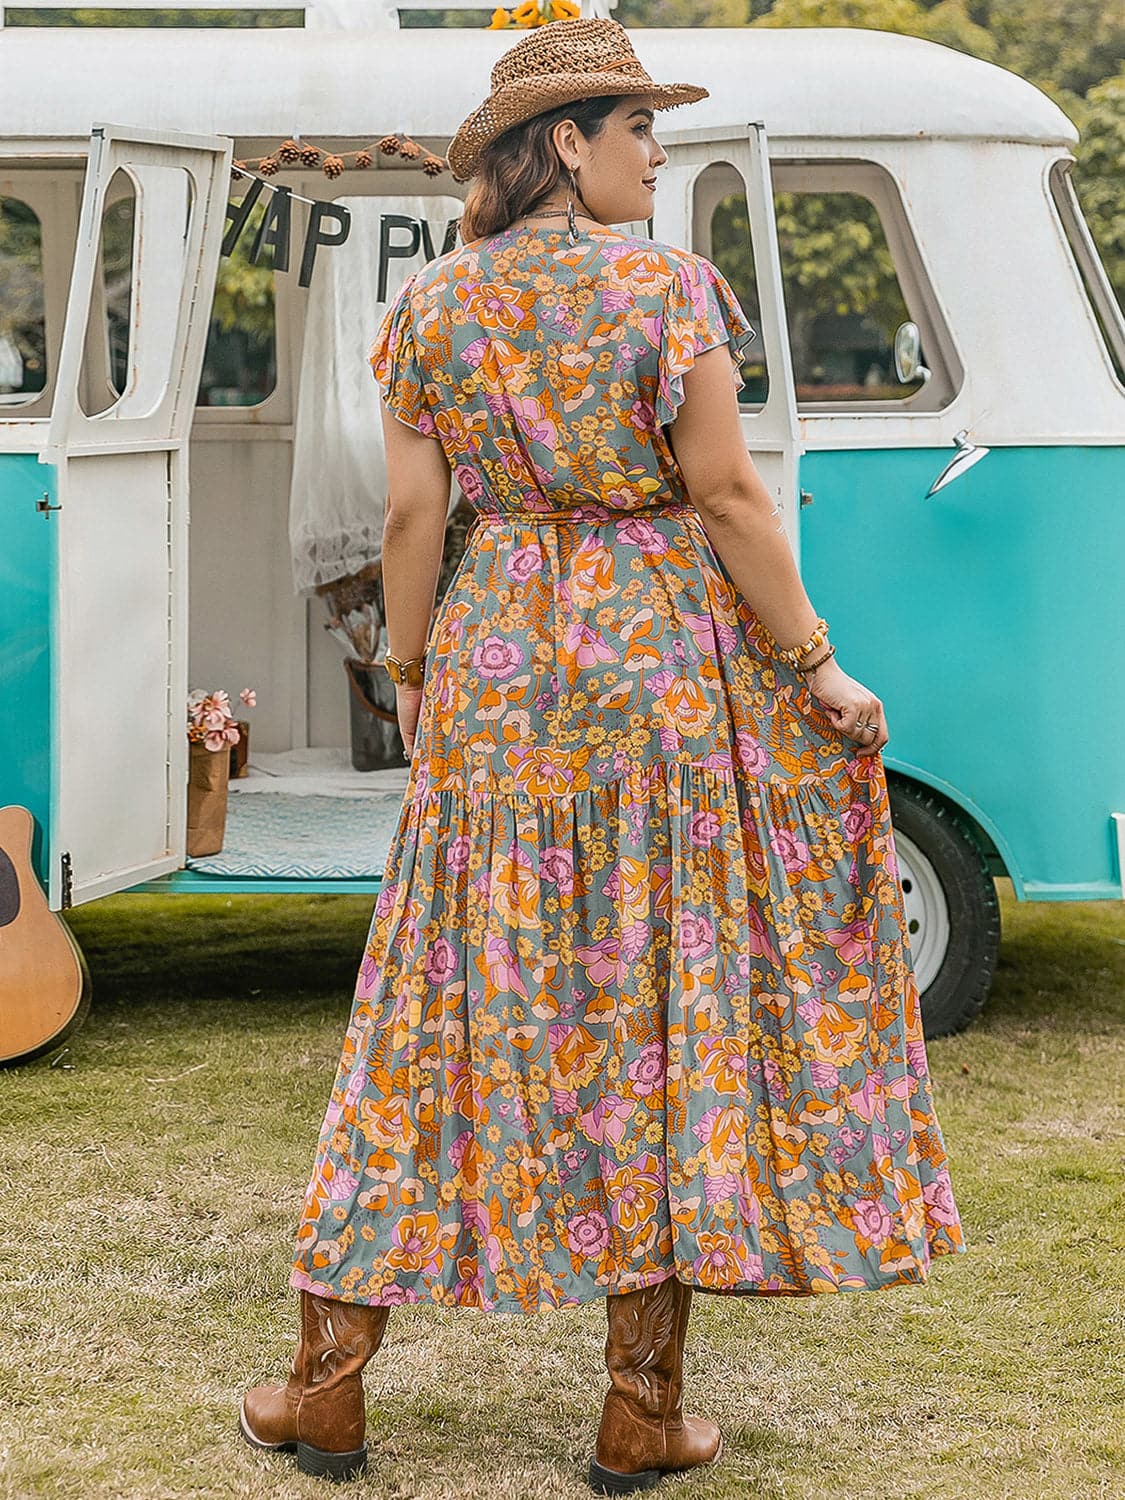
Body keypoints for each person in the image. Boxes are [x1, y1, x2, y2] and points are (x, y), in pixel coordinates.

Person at [239, 16, 966, 1493]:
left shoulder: (432, 311)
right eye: (639, 127)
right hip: (652, 675)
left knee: (432, 1008)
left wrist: (416, 673)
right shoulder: (666, 289)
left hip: (496, 675)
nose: (654, 152)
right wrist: (816, 664)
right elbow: (726, 496)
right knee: (656, 1001)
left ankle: (326, 1388)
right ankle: (639, 1410)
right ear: (566, 141)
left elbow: (407, 527)